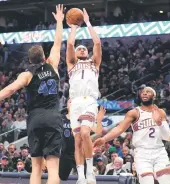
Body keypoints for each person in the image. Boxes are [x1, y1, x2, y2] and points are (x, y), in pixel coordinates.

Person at [0, 5, 64, 184]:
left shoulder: (27, 75)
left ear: (30, 60)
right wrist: (60, 22)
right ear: (44, 58)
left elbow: (9, 90)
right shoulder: (53, 65)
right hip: (53, 117)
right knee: (53, 167)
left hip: (35, 119)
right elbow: (57, 43)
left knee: (36, 167)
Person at [94, 87, 170, 184]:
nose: (144, 93)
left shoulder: (160, 112)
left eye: (148, 92)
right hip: (142, 153)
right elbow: (120, 128)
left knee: (166, 182)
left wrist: (160, 123)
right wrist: (104, 139)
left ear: (154, 96)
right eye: (143, 92)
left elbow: (167, 136)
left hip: (159, 151)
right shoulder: (134, 112)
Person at [66, 8, 102, 184]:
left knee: (86, 134)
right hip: (75, 103)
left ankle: (90, 171)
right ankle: (80, 175)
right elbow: (70, 45)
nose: (80, 50)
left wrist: (87, 23)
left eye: (83, 49)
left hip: (89, 101)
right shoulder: (71, 64)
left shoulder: (94, 63)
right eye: (79, 49)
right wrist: (73, 27)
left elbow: (97, 43)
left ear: (86, 53)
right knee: (78, 140)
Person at [59, 99, 105, 181]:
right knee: (62, 177)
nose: (72, 104)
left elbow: (98, 132)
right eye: (70, 102)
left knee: (88, 178)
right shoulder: (60, 118)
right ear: (67, 105)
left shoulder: (84, 119)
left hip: (82, 153)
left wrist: (99, 120)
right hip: (66, 153)